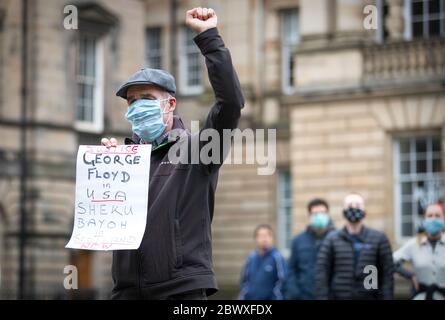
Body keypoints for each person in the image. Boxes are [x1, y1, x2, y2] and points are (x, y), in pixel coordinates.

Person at [101, 7, 245, 299]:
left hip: (181, 291)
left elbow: (230, 104)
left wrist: (209, 38)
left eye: (146, 99)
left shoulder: (198, 150)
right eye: (131, 101)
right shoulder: (123, 161)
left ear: (170, 104)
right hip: (127, 292)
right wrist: (106, 174)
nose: (137, 107)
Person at [316, 193, 394, 299]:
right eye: (349, 205)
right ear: (343, 211)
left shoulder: (379, 239)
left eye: (358, 205)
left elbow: (387, 275)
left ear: (365, 211)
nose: (353, 208)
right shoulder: (331, 239)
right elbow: (322, 273)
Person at [285, 198, 335, 300]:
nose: (319, 216)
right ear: (309, 217)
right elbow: (291, 269)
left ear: (328, 215)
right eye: (315, 214)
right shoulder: (298, 241)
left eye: (322, 213)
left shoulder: (337, 239)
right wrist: (295, 293)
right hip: (304, 296)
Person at [393, 203, 445, 300]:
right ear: (424, 219)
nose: (433, 219)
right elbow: (390, 261)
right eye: (430, 216)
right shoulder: (414, 244)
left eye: (437, 216)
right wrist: (409, 275)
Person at [239, 225, 287, 300]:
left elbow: (283, 281)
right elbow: (244, 281)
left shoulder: (277, 258)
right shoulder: (251, 258)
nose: (264, 239)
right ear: (256, 239)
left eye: (267, 235)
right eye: (261, 236)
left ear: (272, 238)